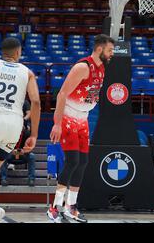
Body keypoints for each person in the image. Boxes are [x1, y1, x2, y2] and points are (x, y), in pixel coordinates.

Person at [47, 34, 115, 223]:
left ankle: (71, 207)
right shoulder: (82, 67)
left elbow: (91, 92)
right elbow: (61, 94)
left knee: (83, 162)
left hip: (83, 118)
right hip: (69, 115)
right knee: (72, 162)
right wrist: (58, 123)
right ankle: (55, 208)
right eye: (110, 50)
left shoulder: (101, 69)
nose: (112, 54)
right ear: (99, 49)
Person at [0, 38, 40, 223]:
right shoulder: (27, 72)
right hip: (14, 124)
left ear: (2, 51)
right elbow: (35, 101)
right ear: (18, 52)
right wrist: (34, 134)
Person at [0, 100, 36, 187]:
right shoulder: (8, 133)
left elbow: (29, 148)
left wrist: (24, 151)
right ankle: (3, 179)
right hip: (10, 154)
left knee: (32, 156)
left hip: (22, 154)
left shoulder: (27, 134)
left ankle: (31, 179)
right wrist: (11, 151)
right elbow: (4, 147)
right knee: (1, 156)